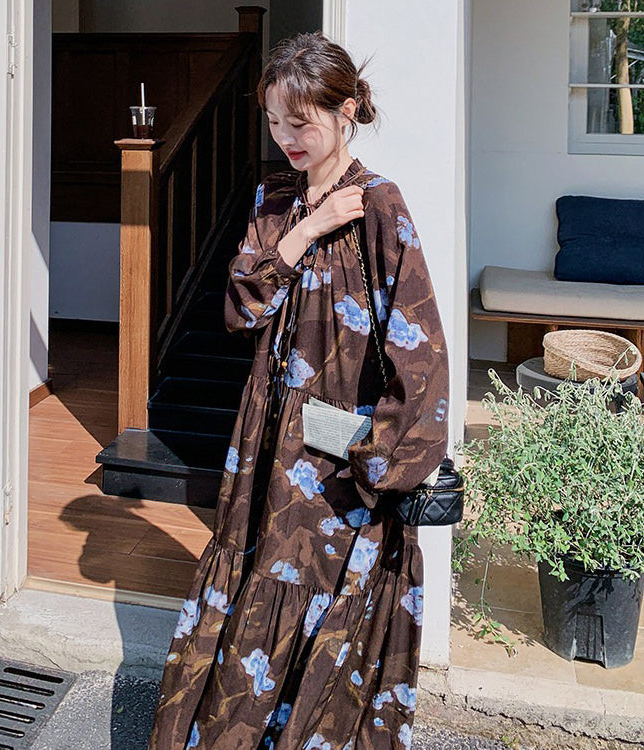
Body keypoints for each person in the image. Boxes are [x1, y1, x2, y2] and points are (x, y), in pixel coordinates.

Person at [148, 30, 450, 750]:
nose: (286, 138)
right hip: (268, 436)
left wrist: (380, 459)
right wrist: (309, 226)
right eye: (275, 122)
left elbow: (421, 350)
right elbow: (240, 307)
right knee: (258, 576)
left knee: (329, 589)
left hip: (339, 448)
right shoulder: (275, 197)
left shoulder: (379, 203)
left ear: (345, 112)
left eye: (301, 123)